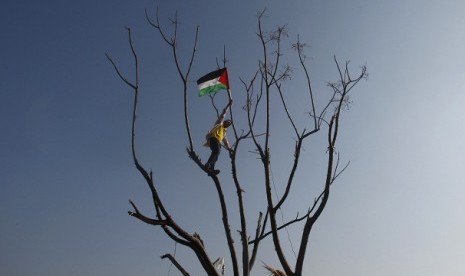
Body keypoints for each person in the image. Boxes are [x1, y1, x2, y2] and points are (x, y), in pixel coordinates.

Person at [204, 100, 232, 175]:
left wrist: (230, 149)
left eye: (229, 124)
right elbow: (223, 114)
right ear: (225, 121)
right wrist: (228, 105)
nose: (228, 124)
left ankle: (211, 170)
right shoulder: (219, 123)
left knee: (216, 155)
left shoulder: (224, 132)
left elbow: (226, 141)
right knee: (216, 151)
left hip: (218, 142)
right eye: (228, 122)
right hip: (213, 138)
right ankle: (208, 164)